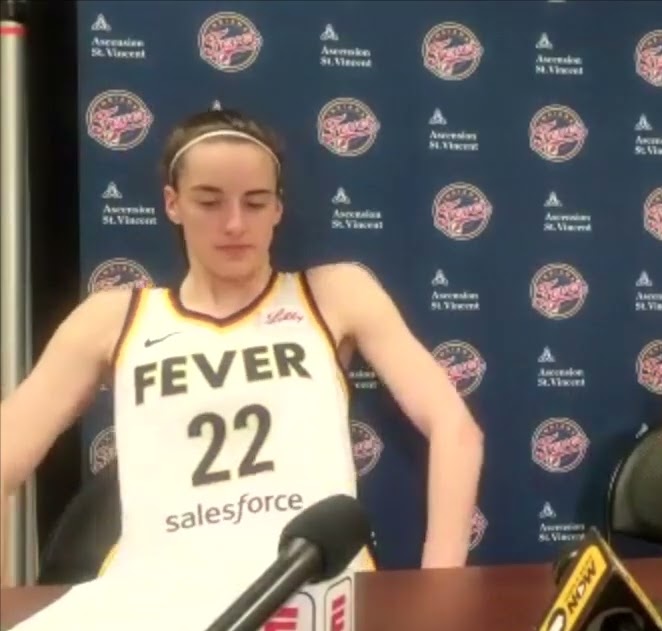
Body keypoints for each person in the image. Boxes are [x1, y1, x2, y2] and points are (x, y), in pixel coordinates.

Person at [0, 109, 484, 584]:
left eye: (254, 203)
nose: (234, 224)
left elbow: (454, 428)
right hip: (152, 605)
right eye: (209, 202)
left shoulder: (334, 294)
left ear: (278, 208)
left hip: (315, 605)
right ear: (173, 203)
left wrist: (438, 588)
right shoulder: (114, 317)